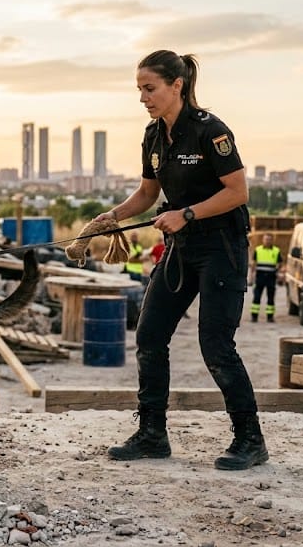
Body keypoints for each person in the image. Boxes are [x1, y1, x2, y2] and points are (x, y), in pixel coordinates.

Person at [96, 50, 267, 470]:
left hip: (221, 247)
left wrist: (186, 213)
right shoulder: (154, 135)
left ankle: (250, 439)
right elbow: (148, 194)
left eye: (149, 88)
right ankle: (153, 434)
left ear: (178, 85)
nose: (142, 98)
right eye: (139, 89)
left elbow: (237, 192)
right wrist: (113, 216)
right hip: (180, 248)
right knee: (150, 335)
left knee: (216, 345)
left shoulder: (212, 131)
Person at [249, 233, 283, 323]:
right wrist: (251, 277)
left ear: (272, 240)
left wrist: (279, 273)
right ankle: (254, 317)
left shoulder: (276, 251)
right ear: (263, 240)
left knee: (271, 298)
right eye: (266, 239)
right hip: (260, 277)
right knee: (256, 297)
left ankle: (270, 317)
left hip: (271, 277)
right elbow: (253, 263)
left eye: (269, 239)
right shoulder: (258, 250)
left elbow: (280, 263)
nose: (267, 241)